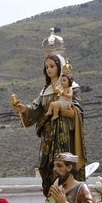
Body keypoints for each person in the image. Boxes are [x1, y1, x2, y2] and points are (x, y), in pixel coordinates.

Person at [10, 51, 85, 195]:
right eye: (46, 67)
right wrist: (24, 109)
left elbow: (77, 111)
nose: (49, 69)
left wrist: (60, 111)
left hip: (64, 136)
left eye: (52, 66)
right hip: (48, 137)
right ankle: (50, 199)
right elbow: (36, 109)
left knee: (62, 166)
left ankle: (67, 197)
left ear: (60, 67)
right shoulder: (45, 90)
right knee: (46, 168)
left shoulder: (72, 87)